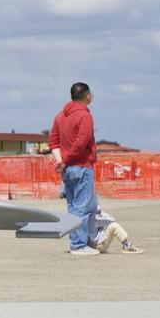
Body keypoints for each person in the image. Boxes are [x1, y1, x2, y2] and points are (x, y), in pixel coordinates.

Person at [49, 81, 100, 256]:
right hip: (82, 167)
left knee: (77, 207)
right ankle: (78, 245)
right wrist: (65, 160)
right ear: (87, 96)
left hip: (67, 170)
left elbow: (53, 142)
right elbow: (81, 143)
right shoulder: (85, 116)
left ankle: (85, 241)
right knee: (82, 207)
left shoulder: (60, 116)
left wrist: (60, 161)